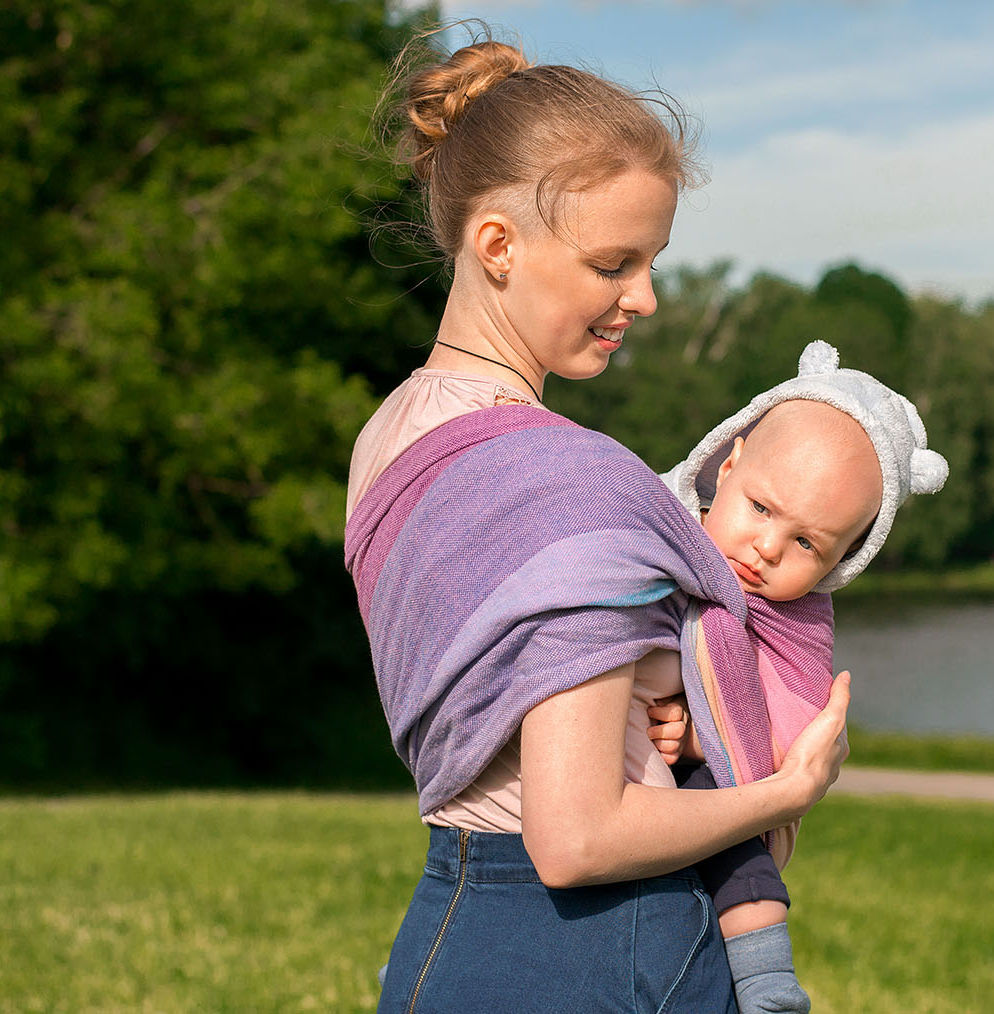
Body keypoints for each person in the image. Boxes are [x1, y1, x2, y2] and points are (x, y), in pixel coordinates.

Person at [343, 28, 852, 1014]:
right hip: (601, 950)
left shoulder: (388, 443)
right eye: (614, 262)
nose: (646, 298)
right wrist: (786, 791)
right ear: (497, 244)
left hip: (450, 925)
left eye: (652, 262)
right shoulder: (562, 481)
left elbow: (509, 703)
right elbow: (575, 837)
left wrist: (655, 696)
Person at [650, 341, 949, 1012]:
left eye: (809, 544)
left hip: (710, 781)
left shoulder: (799, 622)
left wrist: (702, 737)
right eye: (761, 508)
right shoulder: (653, 534)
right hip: (597, 757)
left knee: (743, 864)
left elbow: (794, 722)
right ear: (726, 467)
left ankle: (767, 986)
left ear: (847, 558)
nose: (768, 548)